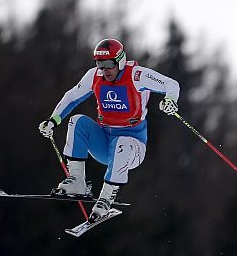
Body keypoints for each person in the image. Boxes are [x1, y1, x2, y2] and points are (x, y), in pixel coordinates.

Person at [38, 38, 181, 221]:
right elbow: (72, 97)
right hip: (105, 144)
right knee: (77, 122)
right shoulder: (95, 76)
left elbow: (171, 84)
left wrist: (170, 100)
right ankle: (77, 181)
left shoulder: (136, 75)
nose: (104, 70)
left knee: (122, 143)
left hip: (133, 148)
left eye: (108, 64)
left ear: (120, 61)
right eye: (100, 64)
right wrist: (53, 120)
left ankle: (106, 198)